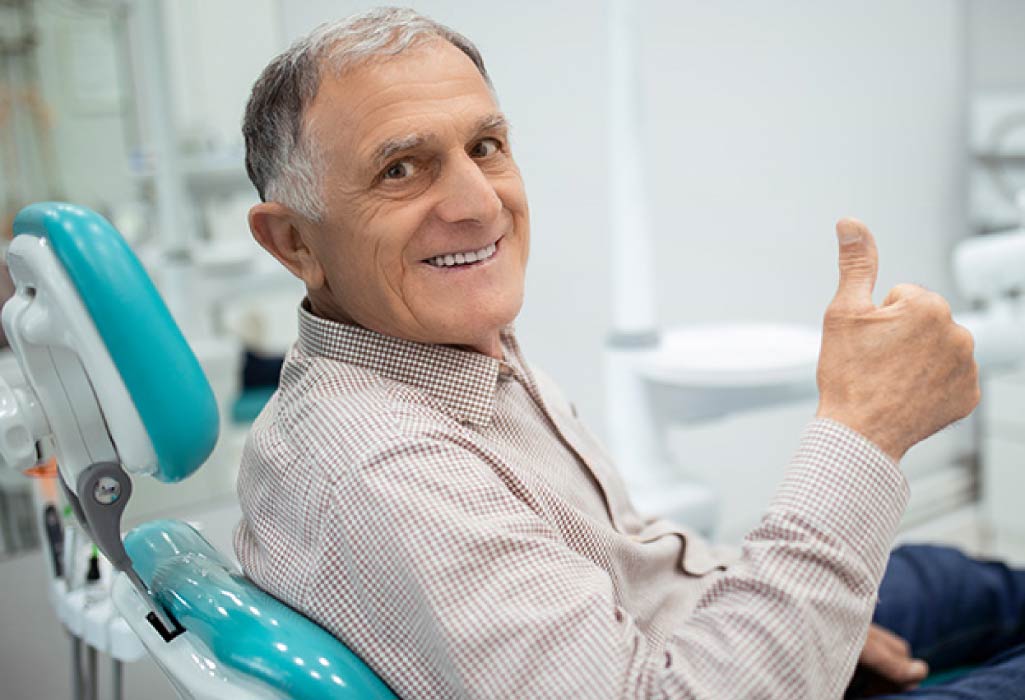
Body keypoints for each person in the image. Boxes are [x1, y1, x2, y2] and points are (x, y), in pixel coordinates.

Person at [233, 8, 1025, 698]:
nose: (479, 205)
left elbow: (634, 570)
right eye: (400, 169)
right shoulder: (388, 466)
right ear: (294, 241)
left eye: (486, 145)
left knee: (969, 583)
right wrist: (863, 431)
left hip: (699, 631)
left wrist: (809, 629)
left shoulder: (455, 356)